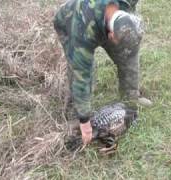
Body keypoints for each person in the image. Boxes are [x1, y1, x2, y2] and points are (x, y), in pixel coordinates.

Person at [53, 0, 151, 145]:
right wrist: (85, 124)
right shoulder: (82, 33)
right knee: (84, 69)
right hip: (70, 21)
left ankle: (130, 97)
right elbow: (81, 76)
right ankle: (76, 114)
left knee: (127, 54)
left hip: (104, 20)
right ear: (111, 35)